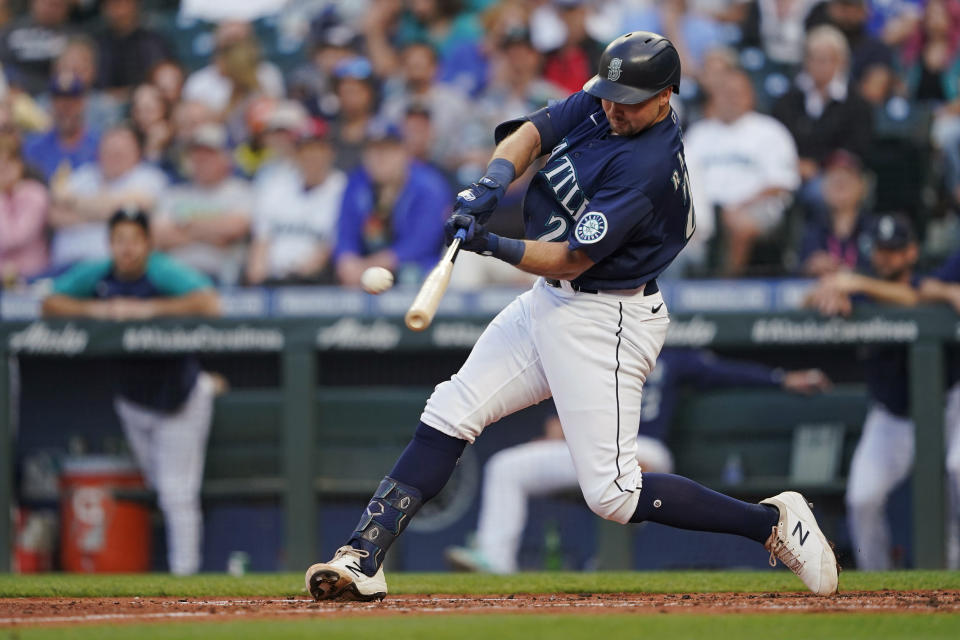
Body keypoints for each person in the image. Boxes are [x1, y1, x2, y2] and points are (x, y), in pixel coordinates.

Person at [305, 31, 839, 601]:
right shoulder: (609, 99)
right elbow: (535, 130)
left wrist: (494, 243)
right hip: (555, 300)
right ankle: (363, 554)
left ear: (666, 96)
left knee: (613, 495)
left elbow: (571, 257)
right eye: (610, 93)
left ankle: (771, 523)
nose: (613, 106)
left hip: (606, 316)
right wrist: (492, 180)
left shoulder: (649, 165)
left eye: (629, 99)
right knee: (452, 407)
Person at [445, 349, 832, 573]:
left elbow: (723, 372)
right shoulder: (599, 351)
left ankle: (601, 561)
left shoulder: (669, 357)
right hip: (601, 449)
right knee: (508, 466)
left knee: (608, 486)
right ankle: (497, 558)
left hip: (642, 451)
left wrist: (780, 378)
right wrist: (781, 378)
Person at [41, 207, 220, 575]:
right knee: (158, 486)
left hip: (179, 394)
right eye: (119, 240)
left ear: (147, 244)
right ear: (110, 243)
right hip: (134, 399)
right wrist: (102, 311)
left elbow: (209, 302)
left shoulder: (160, 271)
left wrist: (148, 309)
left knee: (176, 493)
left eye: (134, 240)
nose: (127, 249)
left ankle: (185, 577)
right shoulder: (101, 274)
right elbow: (49, 302)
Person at [804, 213, 960, 569]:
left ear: (911, 252)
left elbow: (913, 296)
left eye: (895, 249)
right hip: (893, 416)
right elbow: (805, 301)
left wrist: (853, 282)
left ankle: (955, 572)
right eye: (882, 249)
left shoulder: (925, 284)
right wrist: (829, 293)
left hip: (950, 403)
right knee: (862, 498)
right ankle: (877, 580)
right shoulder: (860, 291)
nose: (887, 257)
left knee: (958, 470)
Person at [684, 68, 799, 276]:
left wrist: (738, 205)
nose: (731, 99)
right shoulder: (698, 134)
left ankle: (728, 288)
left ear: (750, 96)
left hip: (756, 207)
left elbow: (781, 184)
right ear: (714, 98)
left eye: (737, 93)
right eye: (725, 93)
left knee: (739, 223)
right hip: (706, 208)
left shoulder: (770, 131)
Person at [334, 122, 450, 287]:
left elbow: (423, 242)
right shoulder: (356, 183)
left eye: (388, 150)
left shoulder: (429, 185)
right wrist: (346, 259)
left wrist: (375, 263)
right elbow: (345, 232)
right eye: (373, 150)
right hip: (365, 270)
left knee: (411, 275)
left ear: (404, 152)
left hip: (417, 267)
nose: (379, 158)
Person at [48, 125, 167, 269]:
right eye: (108, 151)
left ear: (136, 153)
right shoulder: (83, 175)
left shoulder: (148, 177)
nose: (113, 156)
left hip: (114, 270)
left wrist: (73, 202)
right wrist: (106, 212)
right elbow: (54, 215)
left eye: (120, 152)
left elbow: (132, 206)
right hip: (66, 265)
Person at [246, 118, 346, 285]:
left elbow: (327, 248)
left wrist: (294, 278)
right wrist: (258, 279)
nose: (312, 155)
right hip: (270, 281)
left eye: (318, 148)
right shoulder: (276, 183)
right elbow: (261, 240)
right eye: (305, 149)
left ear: (330, 152)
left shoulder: (341, 188)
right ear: (297, 153)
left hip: (314, 282)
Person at [151, 123, 252, 286]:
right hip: (174, 277)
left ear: (226, 158)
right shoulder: (174, 194)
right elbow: (158, 235)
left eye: (210, 154)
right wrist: (214, 237)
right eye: (196, 154)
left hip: (220, 278)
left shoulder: (241, 191)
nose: (202, 160)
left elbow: (235, 228)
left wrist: (182, 224)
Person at [796, 150, 874, 276]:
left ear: (862, 186)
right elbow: (794, 275)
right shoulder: (811, 231)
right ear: (822, 188)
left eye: (847, 178)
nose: (839, 180)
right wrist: (809, 268)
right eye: (833, 177)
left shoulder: (875, 230)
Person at [22, 71, 100, 182]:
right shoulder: (33, 147)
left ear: (83, 103)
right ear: (51, 104)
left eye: (72, 102)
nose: (66, 108)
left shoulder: (100, 144)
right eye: (60, 102)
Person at [0, 131, 49, 284]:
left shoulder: (35, 193)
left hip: (31, 276)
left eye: (7, 163)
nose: (2, 169)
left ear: (19, 164)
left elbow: (13, 238)